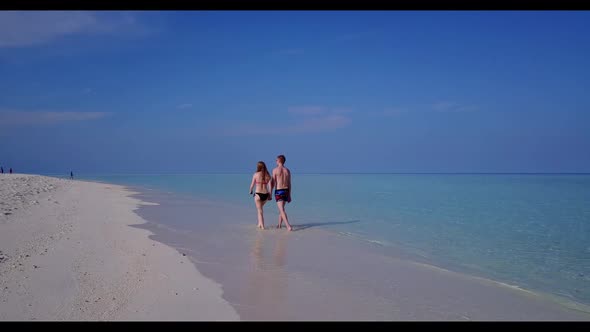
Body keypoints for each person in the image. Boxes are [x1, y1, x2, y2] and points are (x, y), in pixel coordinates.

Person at [271, 155, 293, 231]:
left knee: (281, 210)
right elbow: (289, 183)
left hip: (279, 191)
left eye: (276, 160)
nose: (276, 161)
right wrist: (289, 194)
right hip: (286, 191)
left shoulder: (275, 170)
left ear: (279, 161)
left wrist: (270, 192)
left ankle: (288, 226)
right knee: (282, 209)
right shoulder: (287, 170)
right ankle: (279, 225)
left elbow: (273, 183)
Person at [249, 161, 272, 229]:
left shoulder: (256, 174)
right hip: (266, 195)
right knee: (259, 209)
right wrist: (270, 195)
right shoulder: (268, 175)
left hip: (258, 194)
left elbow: (252, 184)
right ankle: (259, 223)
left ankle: (262, 226)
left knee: (260, 211)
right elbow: (270, 186)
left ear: (258, 167)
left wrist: (250, 191)